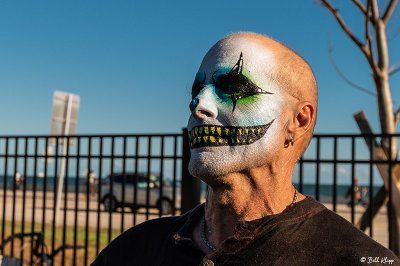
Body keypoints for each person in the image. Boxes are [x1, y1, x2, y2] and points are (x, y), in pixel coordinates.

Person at [92, 33, 399, 265]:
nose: (198, 104)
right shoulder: (135, 250)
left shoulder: (356, 258)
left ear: (298, 120)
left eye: (233, 88)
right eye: (198, 90)